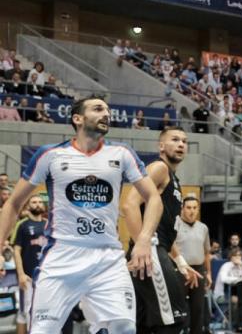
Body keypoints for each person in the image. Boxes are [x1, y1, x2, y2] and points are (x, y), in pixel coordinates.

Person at [0, 96, 163, 334]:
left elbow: (154, 198)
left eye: (108, 110)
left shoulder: (122, 154)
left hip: (108, 257)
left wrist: (144, 239)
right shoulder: (50, 156)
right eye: (98, 109)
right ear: (78, 118)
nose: (106, 114)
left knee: (124, 328)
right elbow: (13, 203)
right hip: (62, 256)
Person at [122, 126, 198, 334]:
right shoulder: (159, 168)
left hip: (156, 249)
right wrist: (142, 245)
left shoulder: (175, 181)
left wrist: (181, 262)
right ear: (162, 146)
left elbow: (165, 230)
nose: (181, 144)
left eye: (184, 141)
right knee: (174, 321)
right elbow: (130, 205)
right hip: (149, 251)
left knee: (147, 325)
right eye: (175, 139)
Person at [175, 196, 211, 334]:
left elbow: (207, 252)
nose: (192, 211)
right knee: (179, 308)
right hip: (180, 270)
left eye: (195, 208)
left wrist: (208, 273)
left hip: (199, 269)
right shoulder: (175, 225)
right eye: (189, 207)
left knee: (198, 308)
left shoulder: (203, 228)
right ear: (182, 209)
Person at [13, 194, 47, 334]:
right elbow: (16, 250)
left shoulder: (49, 224)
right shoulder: (22, 225)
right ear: (28, 206)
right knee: (25, 311)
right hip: (28, 276)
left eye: (40, 202)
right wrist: (21, 274)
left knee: (45, 311)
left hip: (47, 276)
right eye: (34, 202)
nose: (38, 204)